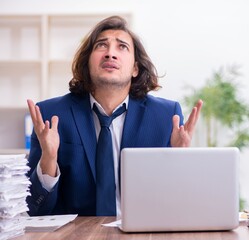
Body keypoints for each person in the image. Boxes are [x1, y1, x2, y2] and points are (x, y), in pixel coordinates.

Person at [26, 15, 203, 217]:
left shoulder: (165, 117)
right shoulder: (51, 116)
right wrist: (49, 159)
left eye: (122, 47)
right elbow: (34, 208)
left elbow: (178, 206)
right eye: (101, 46)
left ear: (135, 68)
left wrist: (180, 160)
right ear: (87, 64)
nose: (110, 54)